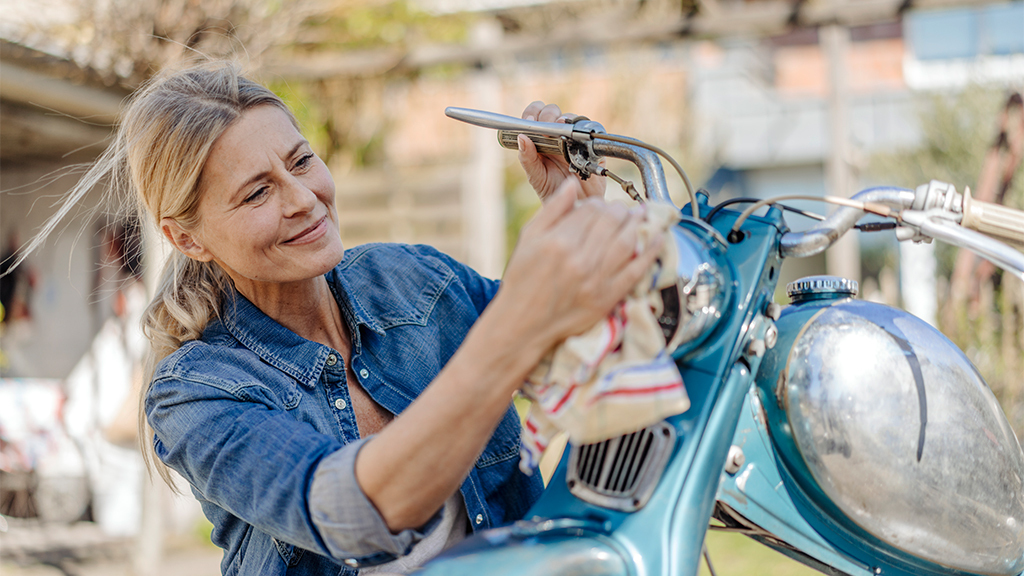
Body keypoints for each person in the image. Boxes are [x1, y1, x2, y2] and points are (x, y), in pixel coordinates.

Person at [19, 61, 662, 575]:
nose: (305, 200)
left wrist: (571, 207)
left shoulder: (414, 279)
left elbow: (574, 356)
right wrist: (514, 328)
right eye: (257, 192)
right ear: (187, 238)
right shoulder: (196, 392)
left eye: (300, 161)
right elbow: (359, 511)